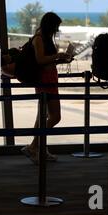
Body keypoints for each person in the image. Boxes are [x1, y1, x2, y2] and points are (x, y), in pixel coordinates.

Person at [21, 12, 72, 164]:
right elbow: (40, 60)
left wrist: (60, 59)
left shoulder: (44, 37)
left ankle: (40, 149)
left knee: (42, 116)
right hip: (45, 80)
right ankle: (33, 146)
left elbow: (46, 61)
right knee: (55, 117)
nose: (57, 30)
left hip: (49, 78)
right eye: (56, 26)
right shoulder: (39, 38)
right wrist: (57, 56)